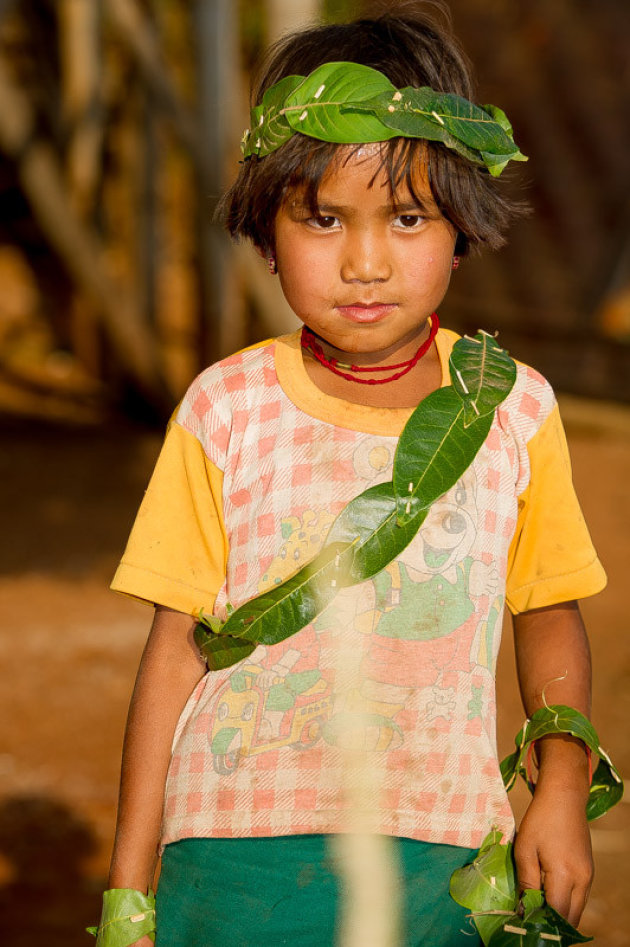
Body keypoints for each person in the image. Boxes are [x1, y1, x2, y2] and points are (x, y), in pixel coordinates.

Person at [100, 10, 606, 947]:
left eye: (407, 218)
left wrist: (563, 785)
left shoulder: (515, 411)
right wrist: (130, 892)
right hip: (234, 862)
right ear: (265, 227)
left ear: (462, 225)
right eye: (323, 218)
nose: (365, 263)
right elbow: (177, 651)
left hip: (442, 855)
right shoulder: (225, 408)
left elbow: (548, 605)